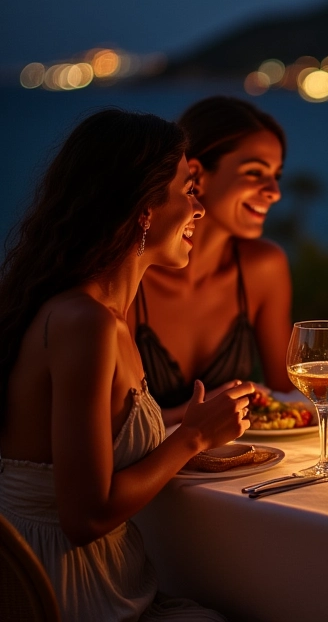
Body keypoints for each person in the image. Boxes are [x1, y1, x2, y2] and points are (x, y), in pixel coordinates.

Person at [0, 109, 254, 621]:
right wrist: (192, 439)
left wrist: (187, 431)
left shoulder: (102, 315)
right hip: (60, 590)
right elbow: (84, 515)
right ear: (144, 208)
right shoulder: (84, 323)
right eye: (188, 189)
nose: (199, 209)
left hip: (111, 576)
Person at [132, 96, 293, 426]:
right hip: (146, 472)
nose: (274, 191)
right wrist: (199, 420)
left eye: (276, 175)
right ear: (196, 175)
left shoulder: (263, 267)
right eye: (255, 172)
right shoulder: (131, 275)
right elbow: (105, 426)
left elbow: (288, 395)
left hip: (239, 471)